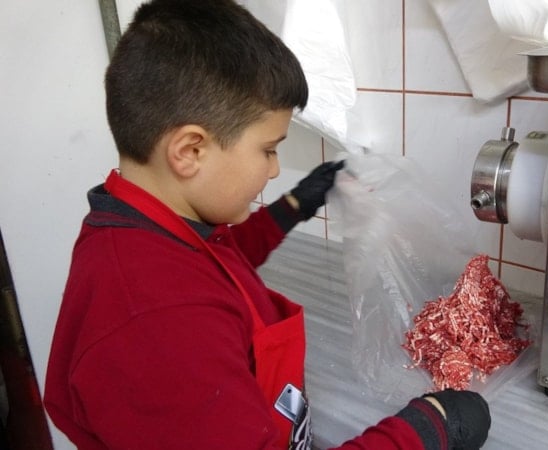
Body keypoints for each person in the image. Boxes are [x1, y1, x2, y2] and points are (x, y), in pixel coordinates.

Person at [43, 0, 491, 449]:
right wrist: (425, 430)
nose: (275, 169)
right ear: (190, 151)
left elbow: (221, 262)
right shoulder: (162, 324)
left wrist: (293, 206)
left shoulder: (149, 227)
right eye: (268, 149)